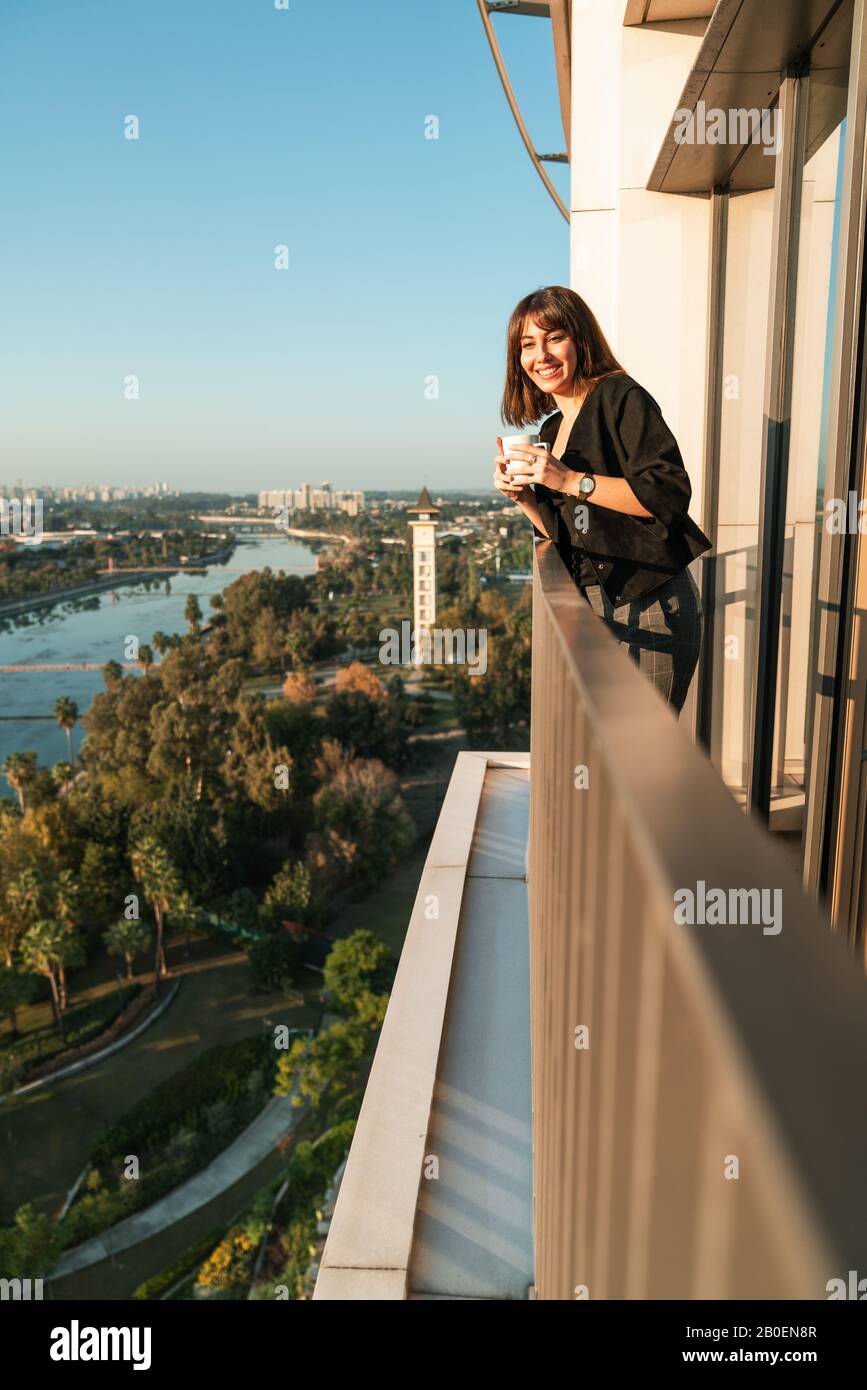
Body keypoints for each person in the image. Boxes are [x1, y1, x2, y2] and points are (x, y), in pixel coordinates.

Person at [493, 285, 712, 714]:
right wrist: (523, 498)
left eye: (555, 337)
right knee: (607, 752)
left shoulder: (621, 397)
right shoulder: (554, 429)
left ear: (581, 339)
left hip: (651, 602)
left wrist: (571, 478)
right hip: (595, 607)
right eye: (528, 344)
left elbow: (667, 494)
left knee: (643, 755)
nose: (542, 355)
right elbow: (567, 533)